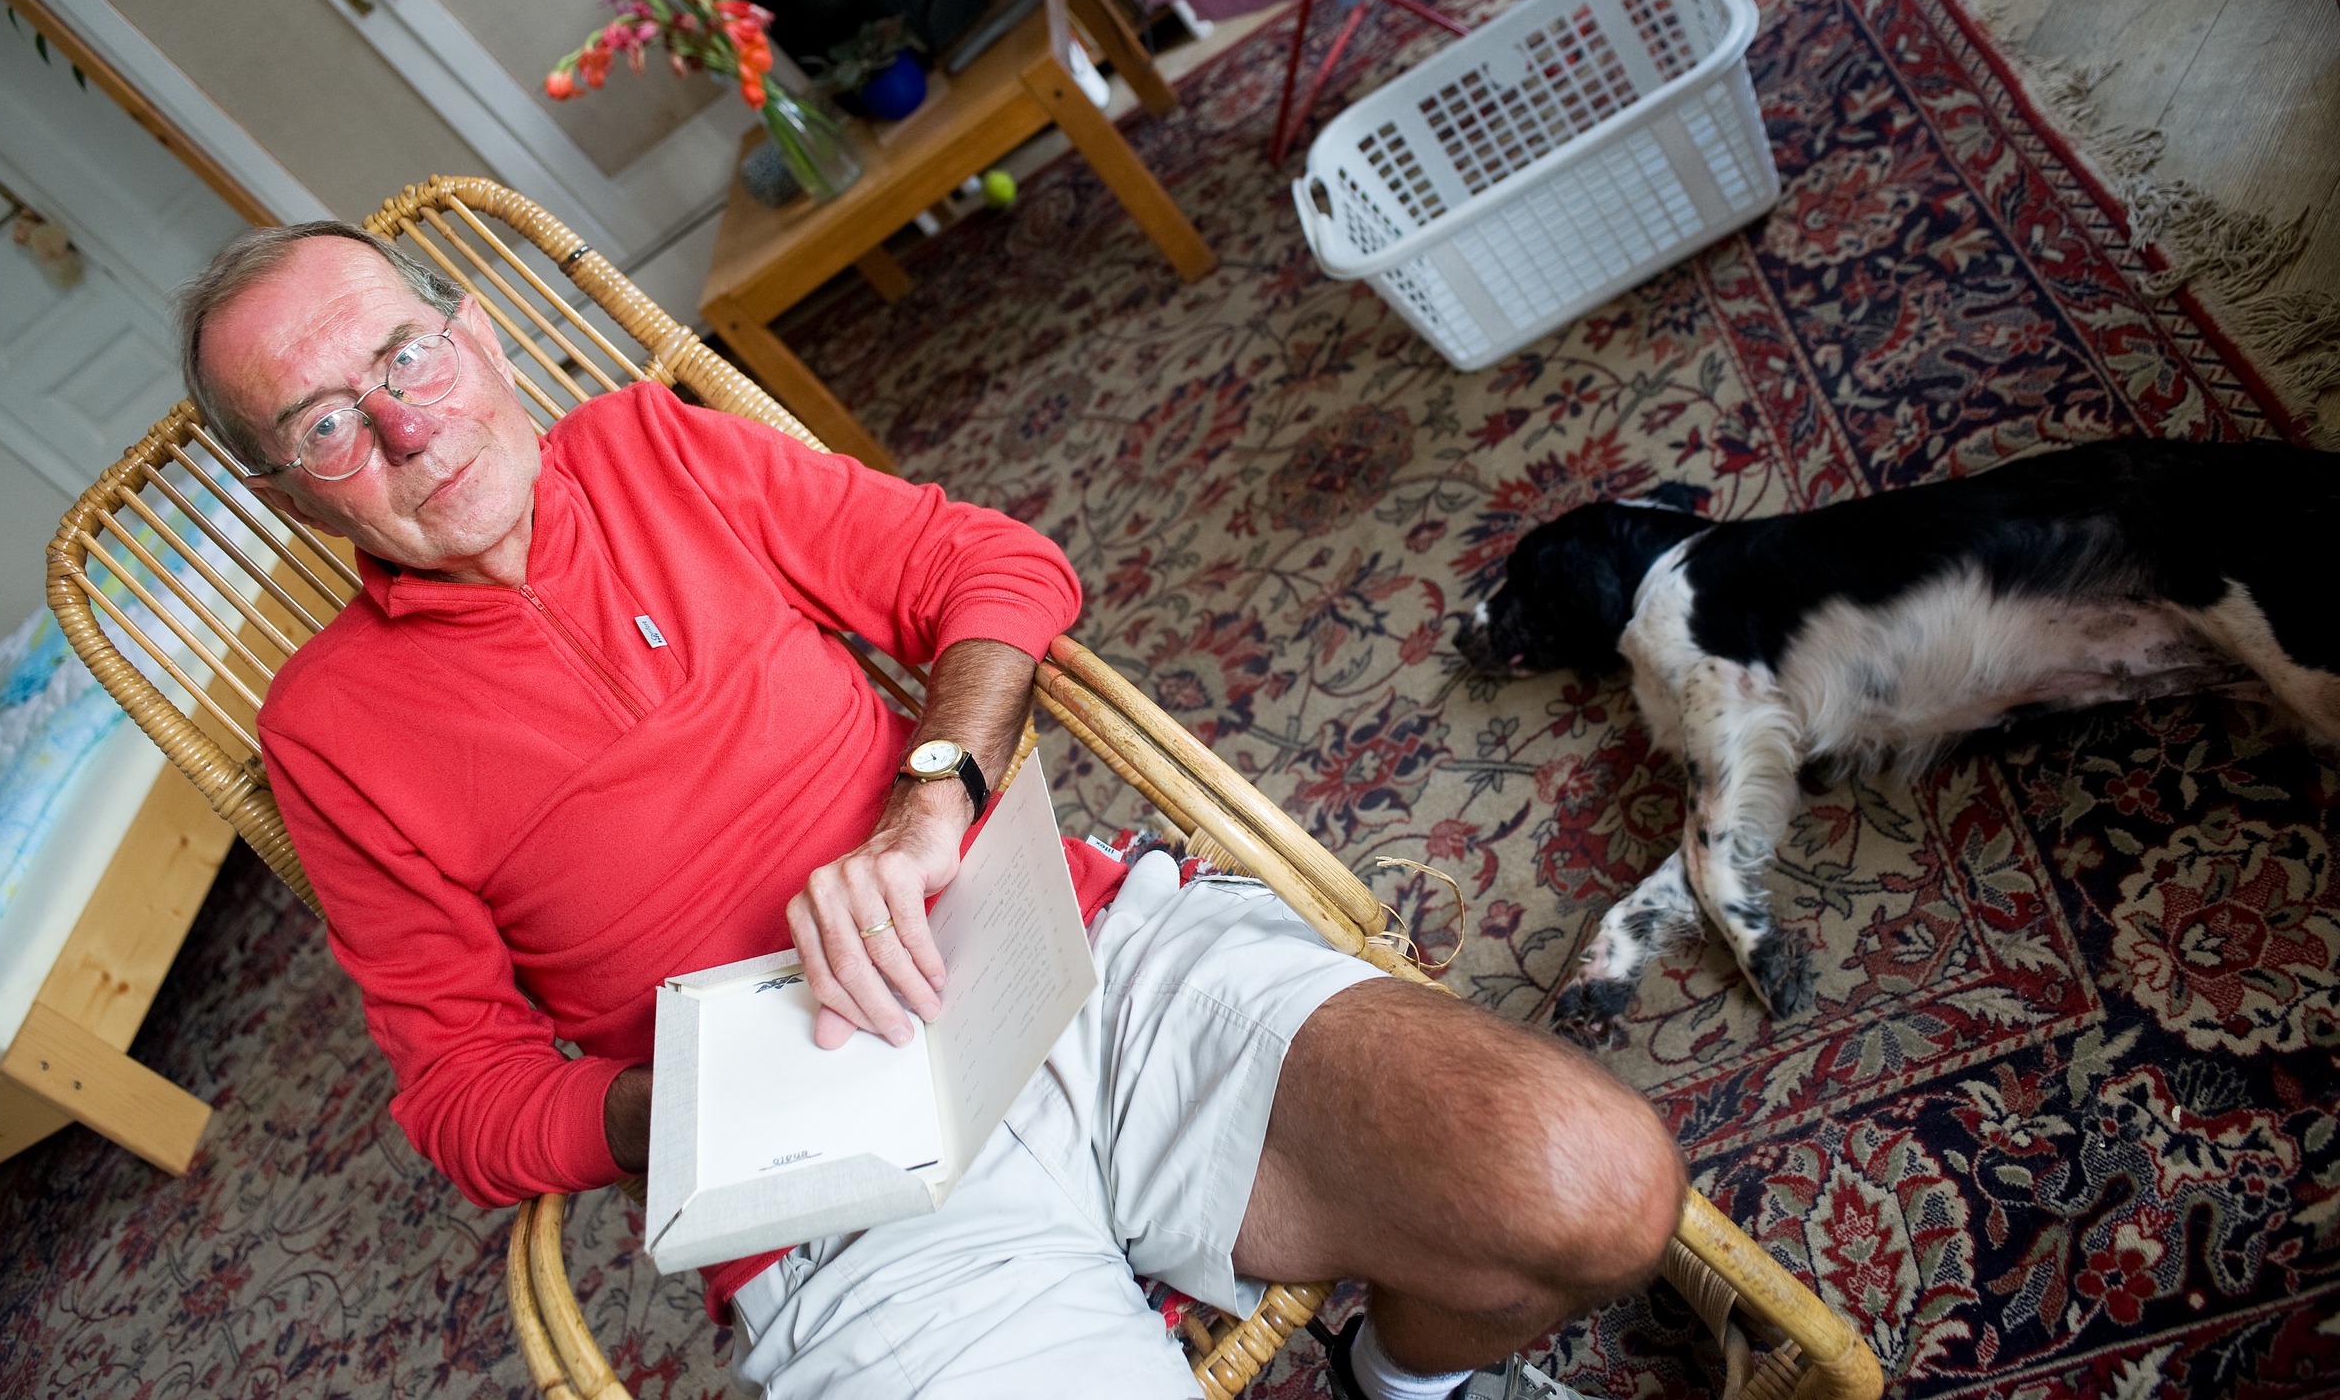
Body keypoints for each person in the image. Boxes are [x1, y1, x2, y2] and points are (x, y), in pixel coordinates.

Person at [177, 221, 1688, 1399]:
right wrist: (700, 1097)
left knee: (1594, 1190)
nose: (404, 429)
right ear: (292, 496)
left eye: (405, 359)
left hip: (1067, 957)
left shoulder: (655, 445)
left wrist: (926, 801)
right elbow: (462, 1096)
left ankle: (1396, 1384)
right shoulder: (329, 733)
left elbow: (989, 565)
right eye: (324, 426)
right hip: (829, 1199)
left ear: (479, 338)